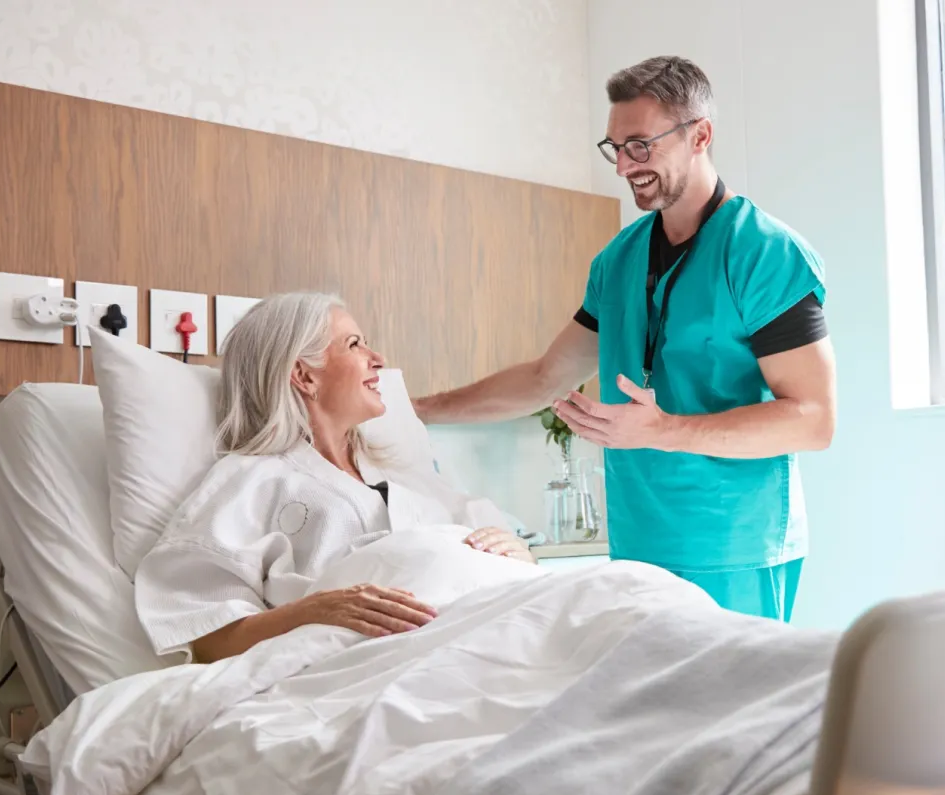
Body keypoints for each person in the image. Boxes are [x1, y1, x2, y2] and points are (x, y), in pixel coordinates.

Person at [413, 56, 836, 623]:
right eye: (614, 148)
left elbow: (813, 419)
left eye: (640, 145)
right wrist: (416, 409)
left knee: (724, 708)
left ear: (699, 136)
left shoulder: (764, 253)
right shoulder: (617, 261)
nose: (623, 167)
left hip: (732, 544)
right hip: (638, 545)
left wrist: (663, 430)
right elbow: (544, 378)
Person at [133, 292, 536, 664]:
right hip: (390, 662)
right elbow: (206, 635)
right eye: (355, 344)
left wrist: (515, 552)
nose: (377, 358)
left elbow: (493, 541)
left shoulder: (402, 474)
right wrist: (312, 612)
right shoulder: (252, 479)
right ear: (304, 376)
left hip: (501, 631)